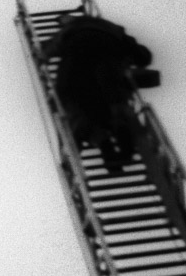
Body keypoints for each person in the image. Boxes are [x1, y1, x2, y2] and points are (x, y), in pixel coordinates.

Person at [42, 15, 152, 170]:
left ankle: (105, 147)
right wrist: (136, 60)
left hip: (78, 58)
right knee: (113, 100)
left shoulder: (74, 27)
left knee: (70, 100)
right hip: (109, 60)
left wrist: (42, 54)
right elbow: (141, 54)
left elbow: (53, 46)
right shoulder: (114, 28)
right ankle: (124, 144)